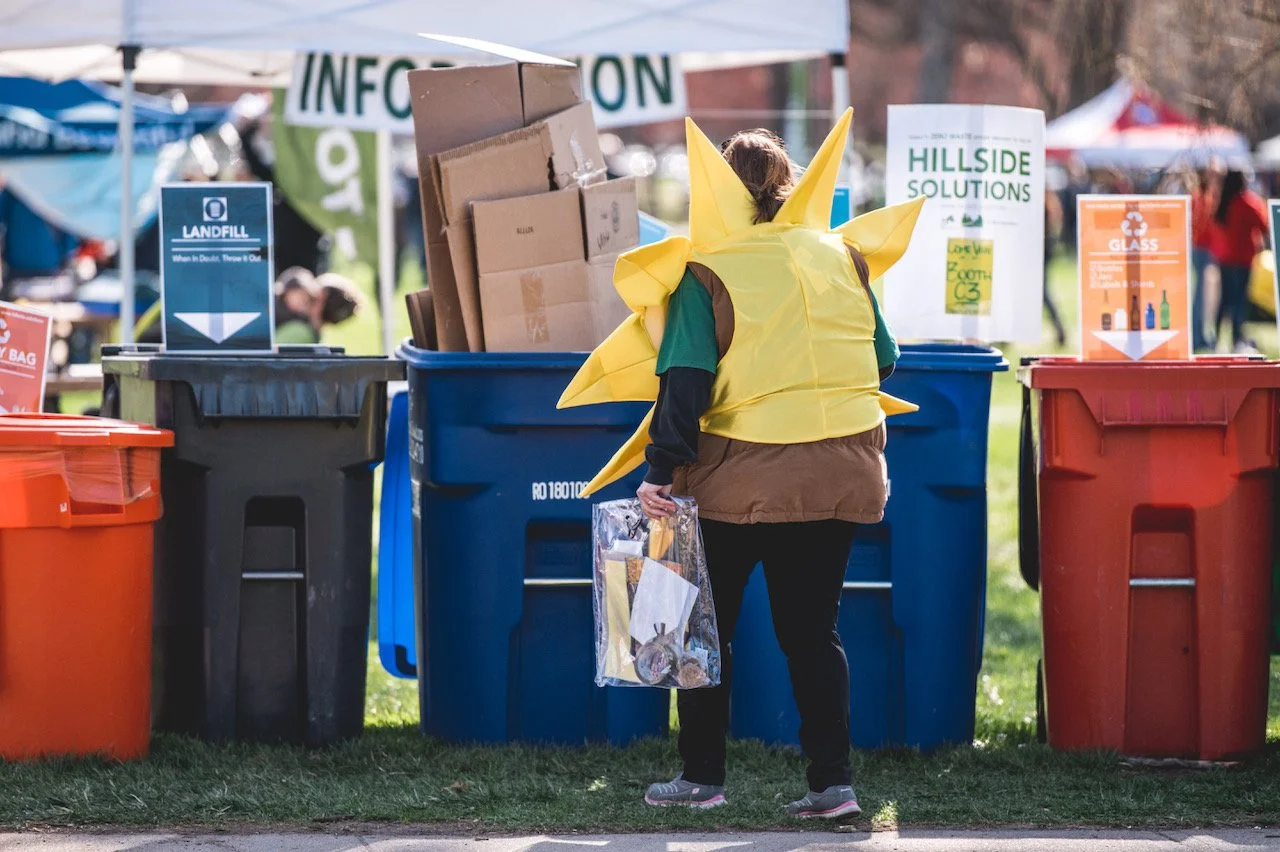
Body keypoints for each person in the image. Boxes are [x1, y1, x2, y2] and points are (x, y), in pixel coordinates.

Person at [565, 117, 921, 819]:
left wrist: (659, 471)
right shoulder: (841, 256)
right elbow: (885, 359)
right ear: (788, 187)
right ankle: (833, 785)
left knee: (703, 626)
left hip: (743, 477)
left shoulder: (709, 268)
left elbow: (688, 377)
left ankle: (701, 778)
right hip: (845, 471)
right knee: (813, 632)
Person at [1210, 170, 1269, 352]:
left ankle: (1216, 339)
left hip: (1224, 257)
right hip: (1242, 258)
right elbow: (1264, 225)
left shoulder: (1223, 201)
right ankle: (1236, 340)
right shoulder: (1248, 202)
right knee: (1239, 301)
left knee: (1225, 300)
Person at [274, 267, 362, 345]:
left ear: (322, 297)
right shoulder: (313, 340)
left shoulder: (299, 332)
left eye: (309, 300)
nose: (300, 304)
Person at [1190, 163, 1224, 352]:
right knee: (1200, 295)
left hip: (1207, 250)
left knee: (1205, 295)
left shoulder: (1204, 197)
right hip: (1201, 249)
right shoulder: (1200, 198)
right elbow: (1203, 225)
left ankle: (1202, 333)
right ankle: (1198, 335)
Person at [1043, 190, 1068, 348]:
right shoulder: (1050, 199)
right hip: (1045, 250)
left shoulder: (1046, 200)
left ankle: (1060, 332)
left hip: (1041, 251)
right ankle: (1060, 332)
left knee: (1043, 294)